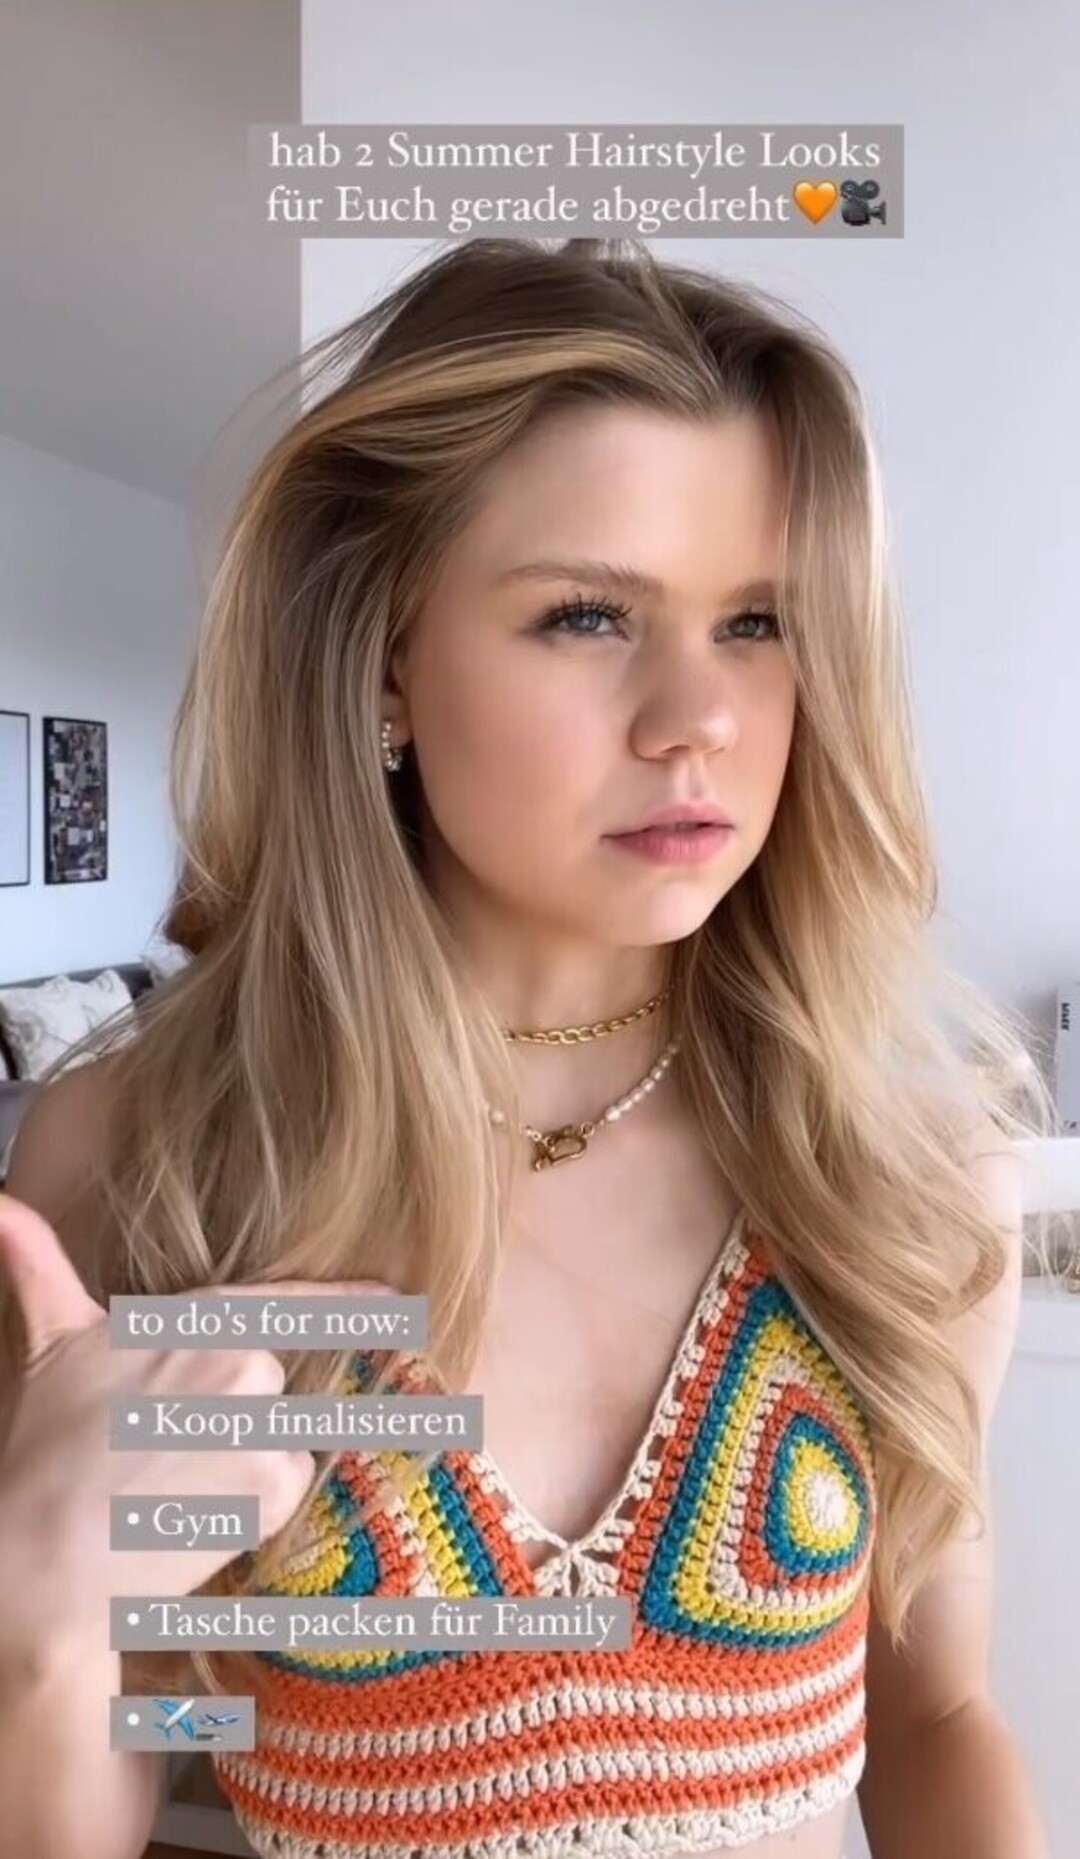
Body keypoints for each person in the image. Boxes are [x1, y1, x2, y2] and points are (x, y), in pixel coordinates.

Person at [0, 236, 1057, 1859]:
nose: (700, 718)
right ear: (384, 660)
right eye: (586, 614)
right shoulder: (151, 1161)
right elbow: (165, 1720)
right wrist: (43, 1629)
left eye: (759, 621)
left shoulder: (900, 1181)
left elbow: (932, 1721)